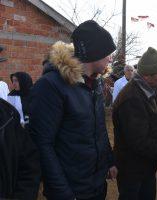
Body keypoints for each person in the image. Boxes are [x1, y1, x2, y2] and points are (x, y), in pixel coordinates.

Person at [28, 20, 117, 200]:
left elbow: (99, 129)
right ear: (94, 53)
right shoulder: (51, 86)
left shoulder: (95, 82)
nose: (110, 58)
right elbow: (42, 144)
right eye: (108, 53)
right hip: (70, 189)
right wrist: (62, 193)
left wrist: (109, 161)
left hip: (96, 185)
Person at [113, 47, 157, 200]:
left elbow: (151, 124)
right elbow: (138, 142)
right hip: (132, 169)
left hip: (145, 165)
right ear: (147, 75)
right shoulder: (131, 98)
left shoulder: (150, 89)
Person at [0, 56, 40, 200]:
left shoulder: (31, 97)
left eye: (17, 80)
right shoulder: (10, 97)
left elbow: (29, 167)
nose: (14, 83)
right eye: (13, 80)